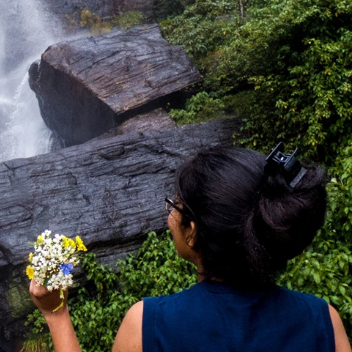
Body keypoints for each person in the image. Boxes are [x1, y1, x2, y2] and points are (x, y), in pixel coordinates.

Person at [28, 145, 352, 352]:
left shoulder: (148, 325)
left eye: (175, 206)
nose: (169, 217)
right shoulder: (323, 321)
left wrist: (56, 314)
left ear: (193, 233)